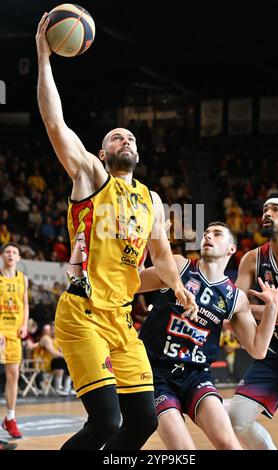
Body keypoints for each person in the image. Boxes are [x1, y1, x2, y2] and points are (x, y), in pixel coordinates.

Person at [36, 14, 198, 451]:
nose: (124, 139)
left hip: (123, 320)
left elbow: (161, 255)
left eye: (129, 137)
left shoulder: (151, 199)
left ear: (138, 151)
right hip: (83, 313)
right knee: (107, 421)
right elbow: (55, 124)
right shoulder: (90, 176)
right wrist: (44, 57)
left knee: (144, 419)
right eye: (115, 137)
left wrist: (178, 286)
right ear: (103, 153)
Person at [138, 222, 278, 450]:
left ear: (231, 249)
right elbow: (131, 284)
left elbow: (258, 349)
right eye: (205, 234)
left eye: (216, 234)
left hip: (195, 376)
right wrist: (144, 245)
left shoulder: (235, 298)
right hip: (155, 374)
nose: (208, 237)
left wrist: (272, 308)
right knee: (184, 451)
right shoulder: (178, 266)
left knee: (229, 444)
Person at [228, 191, 278, 449]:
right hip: (275, 351)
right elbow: (235, 306)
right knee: (235, 419)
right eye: (264, 210)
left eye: (275, 209)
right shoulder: (251, 258)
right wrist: (262, 310)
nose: (266, 214)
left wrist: (264, 308)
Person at [0, 243, 29, 439]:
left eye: (15, 252)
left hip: (14, 334)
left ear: (18, 258)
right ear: (2, 256)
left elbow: (25, 305)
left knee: (13, 375)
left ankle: (10, 418)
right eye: (8, 252)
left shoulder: (23, 279)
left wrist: (25, 324)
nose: (11, 255)